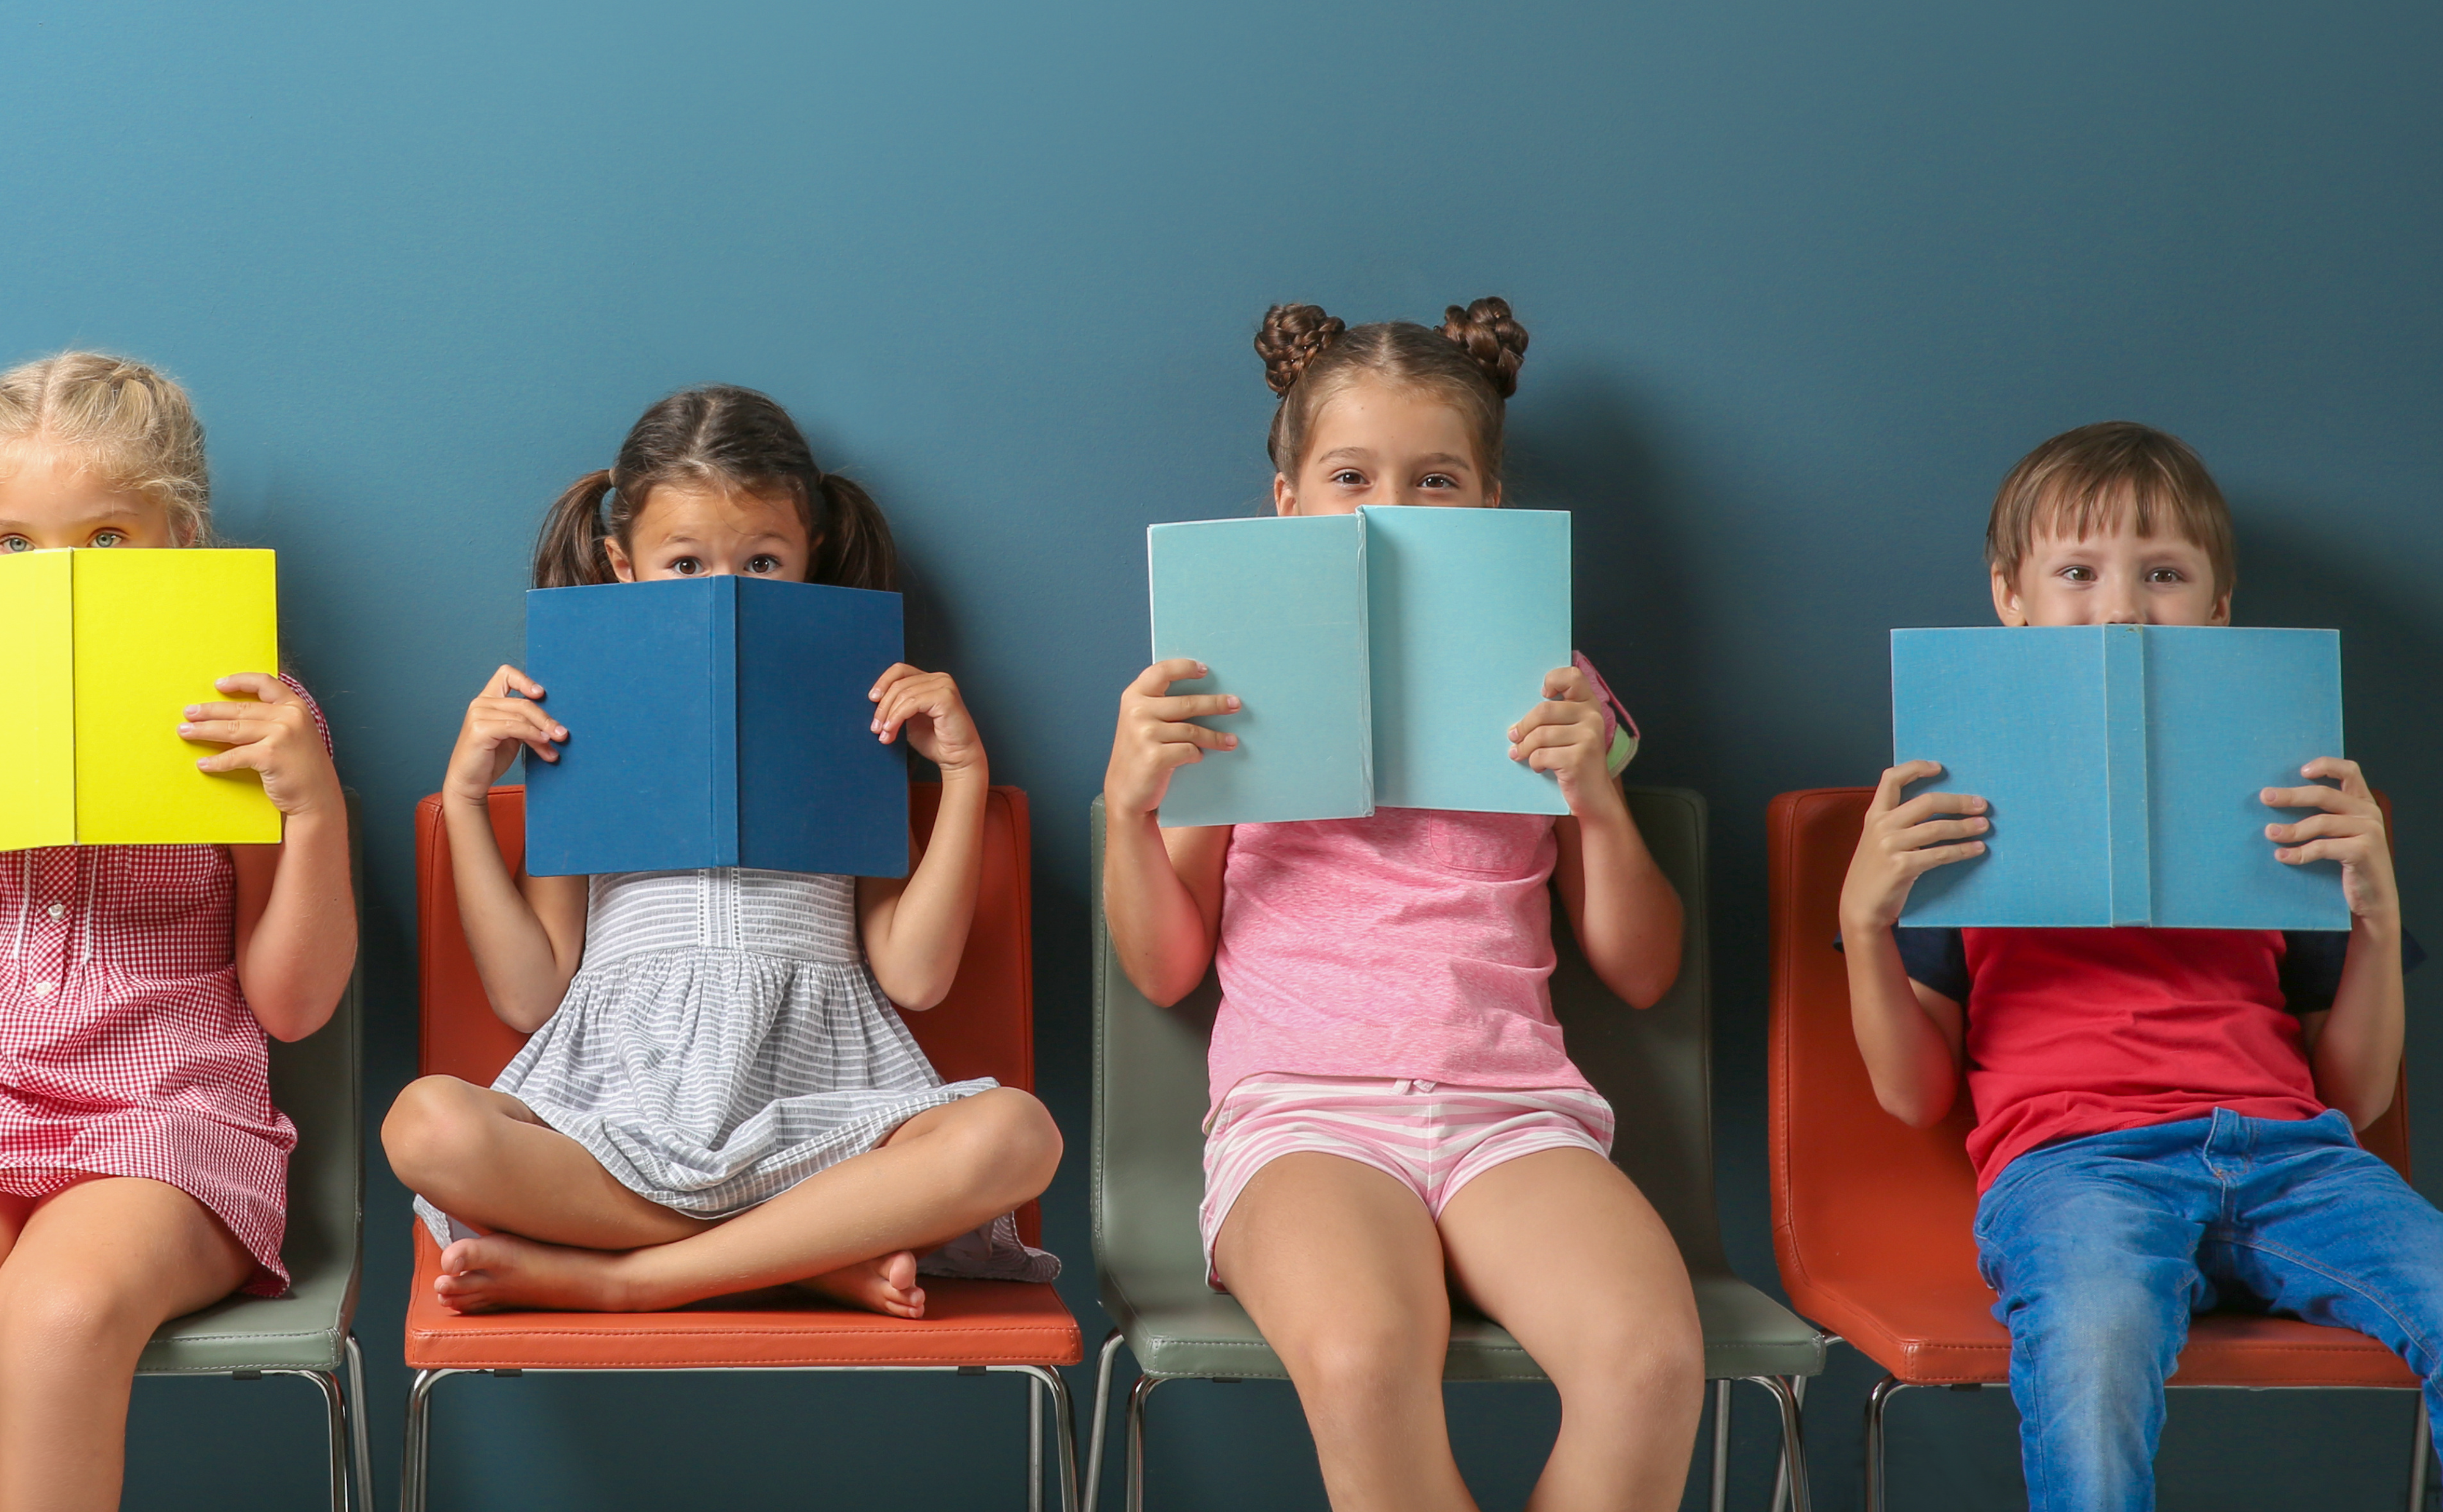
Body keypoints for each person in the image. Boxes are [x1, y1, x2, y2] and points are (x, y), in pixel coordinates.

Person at [1099, 301, 1702, 1510]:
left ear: (1490, 507)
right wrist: (1126, 806)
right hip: (1304, 1119)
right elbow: (1166, 967)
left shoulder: (1558, 686)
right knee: (1368, 1358)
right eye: (1350, 476)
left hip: (1513, 1112)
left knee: (1648, 1361)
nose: (1390, 506)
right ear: (1289, 503)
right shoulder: (1226, 687)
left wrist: (1594, 798)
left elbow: (1643, 968)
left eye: (1436, 479)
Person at [0, 351, 355, 1512]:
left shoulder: (251, 718)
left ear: (180, 540)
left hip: (169, 1117)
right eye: (14, 543)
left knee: (54, 1315)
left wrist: (309, 810)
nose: (58, 573)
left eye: (105, 539)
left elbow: (293, 1004)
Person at [1838, 419, 2430, 1511]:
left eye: (2162, 575)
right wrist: (1866, 923)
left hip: (2297, 1158)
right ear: (2012, 599)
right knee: (2094, 1346)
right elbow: (1914, 1091)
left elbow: (2357, 1093)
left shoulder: (2285, 799)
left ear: (2216, 612)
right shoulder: (1951, 809)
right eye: (2078, 572)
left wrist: (2380, 920)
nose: (2120, 608)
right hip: (2077, 1168)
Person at [382, 382, 1061, 1319]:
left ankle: (629, 1280)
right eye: (686, 562)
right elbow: (532, 993)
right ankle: (808, 1255)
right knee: (425, 1125)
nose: (727, 590)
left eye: (764, 561)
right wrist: (466, 797)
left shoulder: (851, 706)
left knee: (1018, 1135)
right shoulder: (579, 716)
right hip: (624, 1098)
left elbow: (915, 975)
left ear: (809, 556)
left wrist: (964, 774)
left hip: (821, 1103)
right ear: (623, 565)